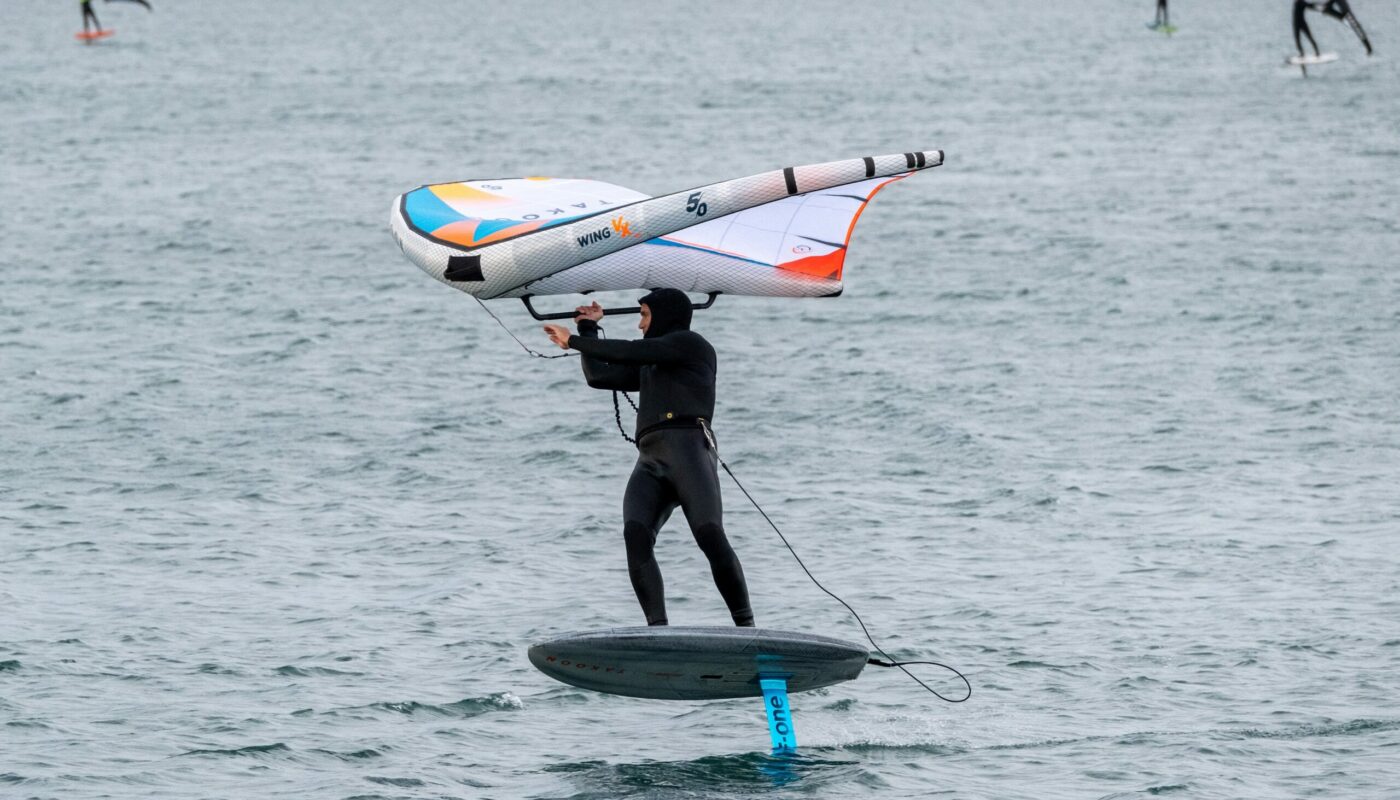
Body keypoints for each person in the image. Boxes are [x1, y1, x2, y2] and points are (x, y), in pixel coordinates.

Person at [542, 289, 755, 627]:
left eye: (644, 315)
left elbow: (630, 350)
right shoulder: (653, 363)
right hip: (650, 460)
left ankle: (746, 627)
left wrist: (574, 341)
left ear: (664, 315)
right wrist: (587, 328)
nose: (640, 325)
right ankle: (657, 630)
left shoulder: (690, 345)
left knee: (709, 534)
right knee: (636, 535)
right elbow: (600, 376)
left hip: (688, 451)